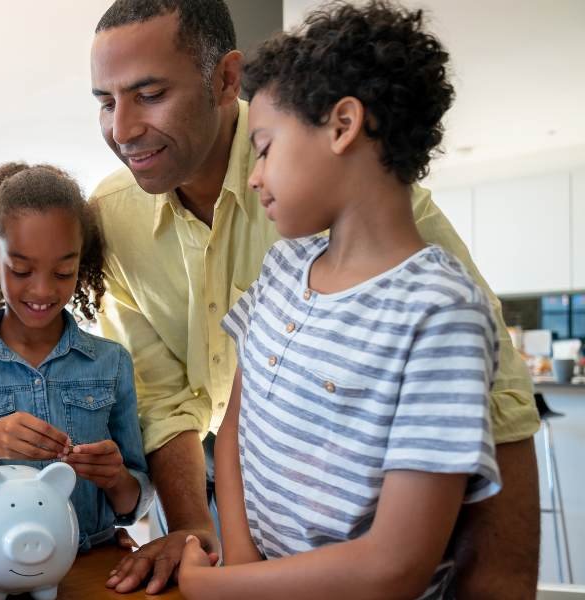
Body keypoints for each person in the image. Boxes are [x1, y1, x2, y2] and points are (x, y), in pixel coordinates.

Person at [87, 1, 540, 596]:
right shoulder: (268, 258)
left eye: (148, 94)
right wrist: (210, 540)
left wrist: (504, 581)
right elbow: (177, 404)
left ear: (225, 80)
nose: (120, 129)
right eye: (104, 101)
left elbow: (499, 405)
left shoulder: (423, 282)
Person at [0, 162, 153, 551]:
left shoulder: (111, 362)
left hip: (94, 565)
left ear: (81, 263)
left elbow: (133, 505)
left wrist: (115, 477)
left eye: (63, 272)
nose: (42, 289)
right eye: (20, 269)